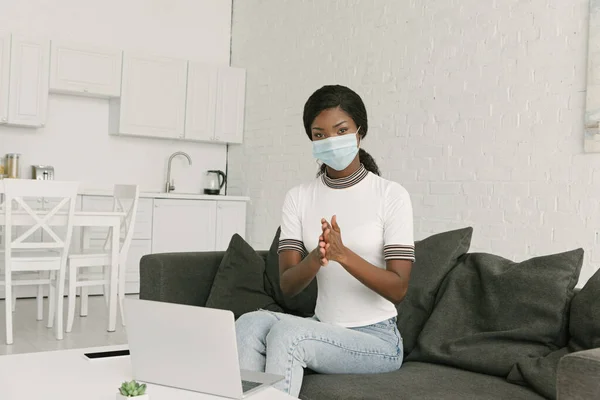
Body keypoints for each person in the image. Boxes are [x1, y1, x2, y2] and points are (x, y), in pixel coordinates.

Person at [235, 84, 415, 397]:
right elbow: (289, 285)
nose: (330, 141)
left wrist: (344, 255)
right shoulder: (299, 198)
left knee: (289, 334)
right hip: (324, 326)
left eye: (341, 130)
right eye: (319, 134)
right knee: (249, 324)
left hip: (377, 340)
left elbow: (398, 288)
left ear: (360, 132)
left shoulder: (390, 196)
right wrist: (317, 257)